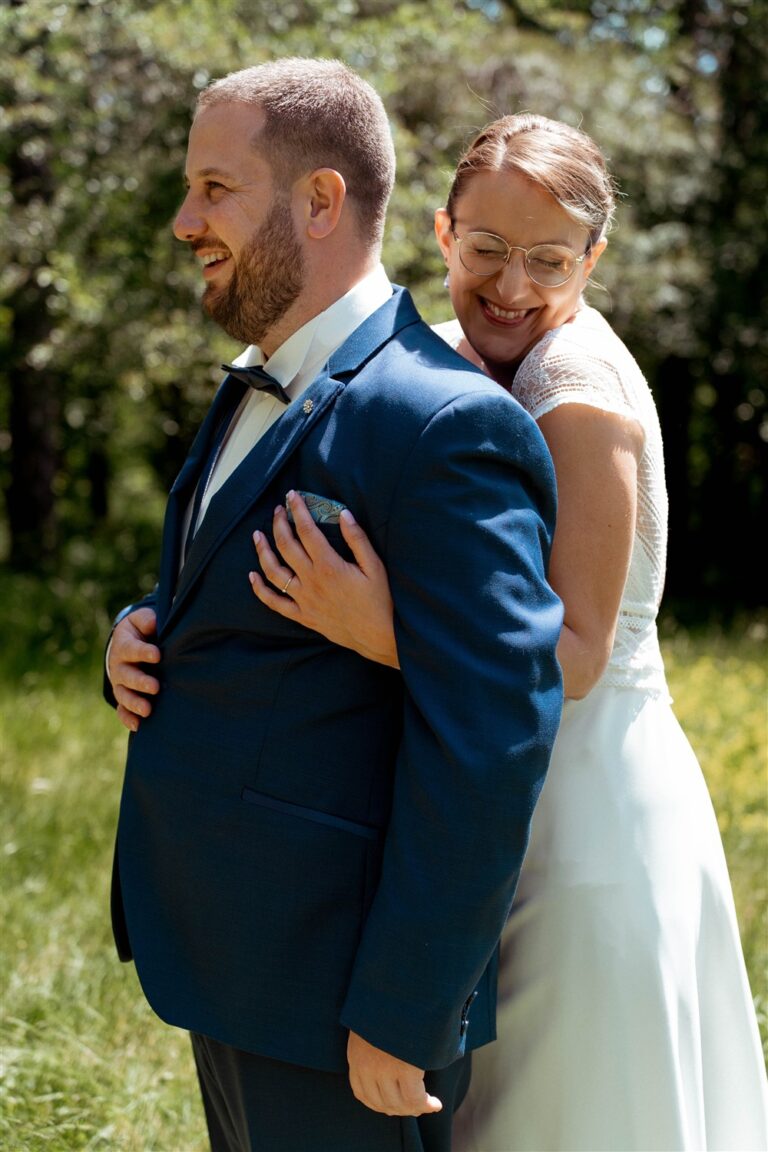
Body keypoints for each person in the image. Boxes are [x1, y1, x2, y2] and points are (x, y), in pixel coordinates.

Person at [247, 113, 768, 1151]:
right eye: (486, 250)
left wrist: (384, 630)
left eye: (548, 260)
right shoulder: (440, 358)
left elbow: (574, 657)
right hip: (485, 800)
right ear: (443, 233)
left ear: (594, 259)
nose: (512, 287)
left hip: (583, 819)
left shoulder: (576, 397)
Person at [105, 62, 564, 1152]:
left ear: (318, 200)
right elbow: (235, 590)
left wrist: (406, 1012)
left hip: (339, 994)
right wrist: (142, 628)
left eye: (215, 188)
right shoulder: (252, 381)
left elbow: (492, 738)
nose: (184, 221)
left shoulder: (446, 425)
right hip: (230, 960)